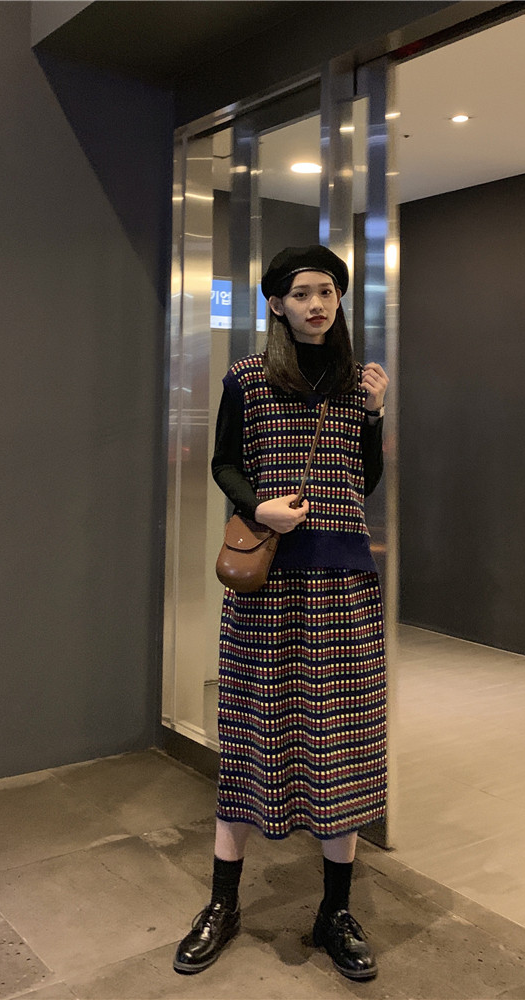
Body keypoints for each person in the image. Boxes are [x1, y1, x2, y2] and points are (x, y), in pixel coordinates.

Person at [173, 245, 389, 982]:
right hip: (267, 587)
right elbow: (223, 462)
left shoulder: (359, 383)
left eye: (327, 291)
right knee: (251, 733)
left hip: (344, 583)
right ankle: (223, 903)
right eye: (301, 294)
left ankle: (336, 911)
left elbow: (364, 478)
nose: (317, 304)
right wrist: (256, 505)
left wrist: (375, 415)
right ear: (276, 304)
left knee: (342, 743)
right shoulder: (248, 378)